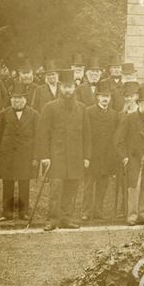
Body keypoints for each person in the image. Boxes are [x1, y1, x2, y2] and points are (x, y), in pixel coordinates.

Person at [35, 71, 91, 231]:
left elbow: (87, 135)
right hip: (56, 156)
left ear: (74, 88)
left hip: (75, 156)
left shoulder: (82, 108)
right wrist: (44, 156)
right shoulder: (50, 107)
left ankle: (66, 219)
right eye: (65, 87)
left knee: (72, 188)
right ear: (60, 87)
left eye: (71, 87)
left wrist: (86, 156)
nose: (68, 90)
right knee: (56, 189)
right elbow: (42, 134)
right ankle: (52, 220)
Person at [114, 85, 144, 226]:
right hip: (133, 158)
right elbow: (118, 140)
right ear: (139, 104)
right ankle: (132, 216)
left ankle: (143, 215)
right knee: (134, 187)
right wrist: (124, 157)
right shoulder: (129, 119)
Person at [0, 83, 39, 220]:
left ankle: (23, 212)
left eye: (20, 99)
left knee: (24, 183)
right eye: (14, 99)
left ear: (25, 100)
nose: (17, 101)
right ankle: (7, 213)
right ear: (11, 100)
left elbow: (38, 137)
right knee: (8, 183)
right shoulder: (4, 114)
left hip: (26, 156)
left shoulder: (34, 114)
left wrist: (36, 156)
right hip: (7, 155)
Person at [82, 83, 119, 221]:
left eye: (107, 96)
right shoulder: (89, 111)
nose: (105, 99)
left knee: (103, 185)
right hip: (92, 155)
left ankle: (98, 211)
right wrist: (86, 156)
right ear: (97, 97)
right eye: (103, 96)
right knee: (88, 185)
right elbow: (86, 134)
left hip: (106, 156)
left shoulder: (114, 114)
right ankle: (85, 212)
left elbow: (115, 137)